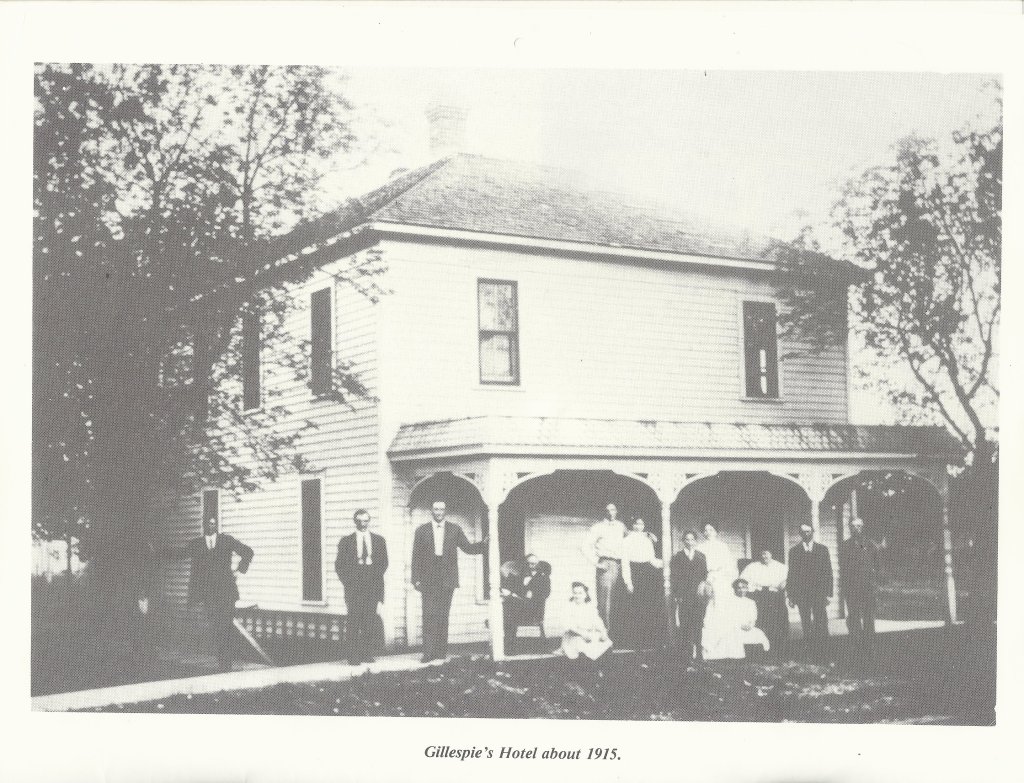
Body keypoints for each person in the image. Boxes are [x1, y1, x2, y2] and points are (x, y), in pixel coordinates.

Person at [411, 500, 487, 662]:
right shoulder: (422, 530)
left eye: (441, 509)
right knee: (429, 615)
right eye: (436, 509)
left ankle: (440, 652)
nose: (439, 512)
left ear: (445, 511)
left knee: (443, 615)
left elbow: (468, 548)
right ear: (431, 511)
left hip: (447, 578)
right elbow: (416, 556)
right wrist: (415, 579)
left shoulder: (454, 529)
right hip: (428, 578)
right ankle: (428, 653)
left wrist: (483, 545)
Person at [181, 515, 254, 672]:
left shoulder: (226, 541)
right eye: (208, 523)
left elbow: (248, 552)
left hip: (226, 594)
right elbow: (179, 554)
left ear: (217, 525)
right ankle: (223, 665)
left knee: (226, 628)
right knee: (216, 630)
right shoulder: (197, 544)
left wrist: (238, 571)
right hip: (209, 596)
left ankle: (226, 665)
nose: (211, 526)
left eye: (213, 524)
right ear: (204, 525)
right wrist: (158, 552)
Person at [335, 509, 389, 664]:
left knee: (369, 621)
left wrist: (373, 577)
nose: (363, 524)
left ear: (369, 521)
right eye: (359, 521)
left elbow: (384, 563)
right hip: (354, 588)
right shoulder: (346, 541)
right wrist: (349, 582)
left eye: (365, 521)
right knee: (354, 621)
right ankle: (352, 656)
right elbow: (339, 566)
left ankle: (366, 654)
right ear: (355, 522)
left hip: (372, 586)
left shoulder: (379, 540)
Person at [787, 523, 833, 651]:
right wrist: (791, 595)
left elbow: (828, 572)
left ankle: (824, 650)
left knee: (821, 621)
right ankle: (810, 649)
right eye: (803, 532)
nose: (806, 534)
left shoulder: (822, 549)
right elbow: (792, 574)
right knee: (806, 621)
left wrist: (829, 593)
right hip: (802, 593)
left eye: (808, 531)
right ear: (800, 533)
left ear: (813, 532)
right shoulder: (794, 551)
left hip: (819, 592)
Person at [581, 502, 627, 630]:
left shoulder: (621, 526)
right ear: (604, 512)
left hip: (621, 564)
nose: (611, 513)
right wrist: (596, 563)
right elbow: (584, 546)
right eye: (608, 510)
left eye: (613, 510)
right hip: (606, 564)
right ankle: (604, 633)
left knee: (619, 599)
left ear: (616, 511)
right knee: (604, 602)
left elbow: (630, 539)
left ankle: (617, 633)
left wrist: (646, 534)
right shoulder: (598, 527)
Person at [619, 518, 663, 650]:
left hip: (647, 573)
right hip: (634, 573)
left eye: (642, 524)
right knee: (635, 608)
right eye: (637, 524)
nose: (639, 526)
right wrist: (628, 582)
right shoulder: (627, 540)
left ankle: (648, 640)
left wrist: (664, 562)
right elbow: (625, 562)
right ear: (632, 525)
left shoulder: (647, 540)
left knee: (648, 606)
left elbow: (651, 559)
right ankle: (635, 642)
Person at [698, 522, 740, 660]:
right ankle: (709, 651)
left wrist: (718, 576)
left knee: (723, 611)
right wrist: (707, 580)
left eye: (711, 529)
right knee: (709, 612)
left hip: (722, 580)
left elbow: (729, 566)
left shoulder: (722, 547)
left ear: (716, 531)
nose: (708, 532)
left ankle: (727, 650)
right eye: (705, 530)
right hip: (706, 580)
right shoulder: (700, 548)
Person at [839, 517, 881, 645]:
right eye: (853, 526)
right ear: (849, 528)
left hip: (867, 588)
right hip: (852, 589)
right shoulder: (845, 546)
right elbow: (843, 569)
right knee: (854, 617)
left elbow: (877, 566)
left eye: (858, 526)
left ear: (862, 527)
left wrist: (874, 584)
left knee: (868, 618)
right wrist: (844, 588)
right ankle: (856, 645)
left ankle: (869, 645)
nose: (856, 529)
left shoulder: (870, 545)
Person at [740, 549, 789, 654]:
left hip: (775, 596)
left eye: (767, 553)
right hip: (758, 596)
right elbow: (742, 580)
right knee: (760, 621)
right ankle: (761, 648)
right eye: (762, 553)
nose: (764, 556)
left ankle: (779, 649)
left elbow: (789, 580)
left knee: (777, 622)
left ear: (772, 554)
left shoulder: (781, 567)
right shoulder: (752, 567)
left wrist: (785, 583)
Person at [501, 554, 552, 654]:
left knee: (509, 608)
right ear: (525, 564)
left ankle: (509, 646)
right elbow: (509, 589)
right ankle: (509, 646)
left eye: (534, 564)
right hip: (518, 609)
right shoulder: (520, 576)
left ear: (538, 564)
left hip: (534, 611)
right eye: (528, 564)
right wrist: (514, 593)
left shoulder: (543, 578)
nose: (531, 566)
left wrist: (530, 594)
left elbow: (544, 594)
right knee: (509, 606)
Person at [670, 530, 708, 662]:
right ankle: (687, 653)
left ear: (695, 541)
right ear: (683, 541)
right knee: (685, 624)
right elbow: (674, 577)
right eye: (687, 539)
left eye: (692, 539)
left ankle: (699, 652)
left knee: (698, 623)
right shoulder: (678, 557)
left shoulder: (701, 556)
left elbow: (704, 575)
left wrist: (703, 591)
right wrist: (677, 594)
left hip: (698, 596)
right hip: (684, 595)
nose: (690, 542)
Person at [557, 582, 612, 662]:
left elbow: (597, 621)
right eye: (575, 593)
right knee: (582, 647)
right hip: (573, 637)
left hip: (589, 634)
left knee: (606, 643)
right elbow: (569, 626)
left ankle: (601, 668)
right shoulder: (569, 607)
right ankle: (586, 668)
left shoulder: (589, 607)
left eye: (580, 593)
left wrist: (603, 632)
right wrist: (583, 634)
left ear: (585, 594)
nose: (577, 595)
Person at [732, 578, 771, 659]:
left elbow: (753, 617)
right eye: (739, 588)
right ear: (734, 589)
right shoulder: (730, 601)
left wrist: (750, 626)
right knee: (735, 636)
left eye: (744, 587)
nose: (741, 590)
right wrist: (740, 626)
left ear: (747, 588)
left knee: (758, 634)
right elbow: (730, 617)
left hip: (748, 627)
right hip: (734, 627)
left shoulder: (751, 602)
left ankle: (756, 655)